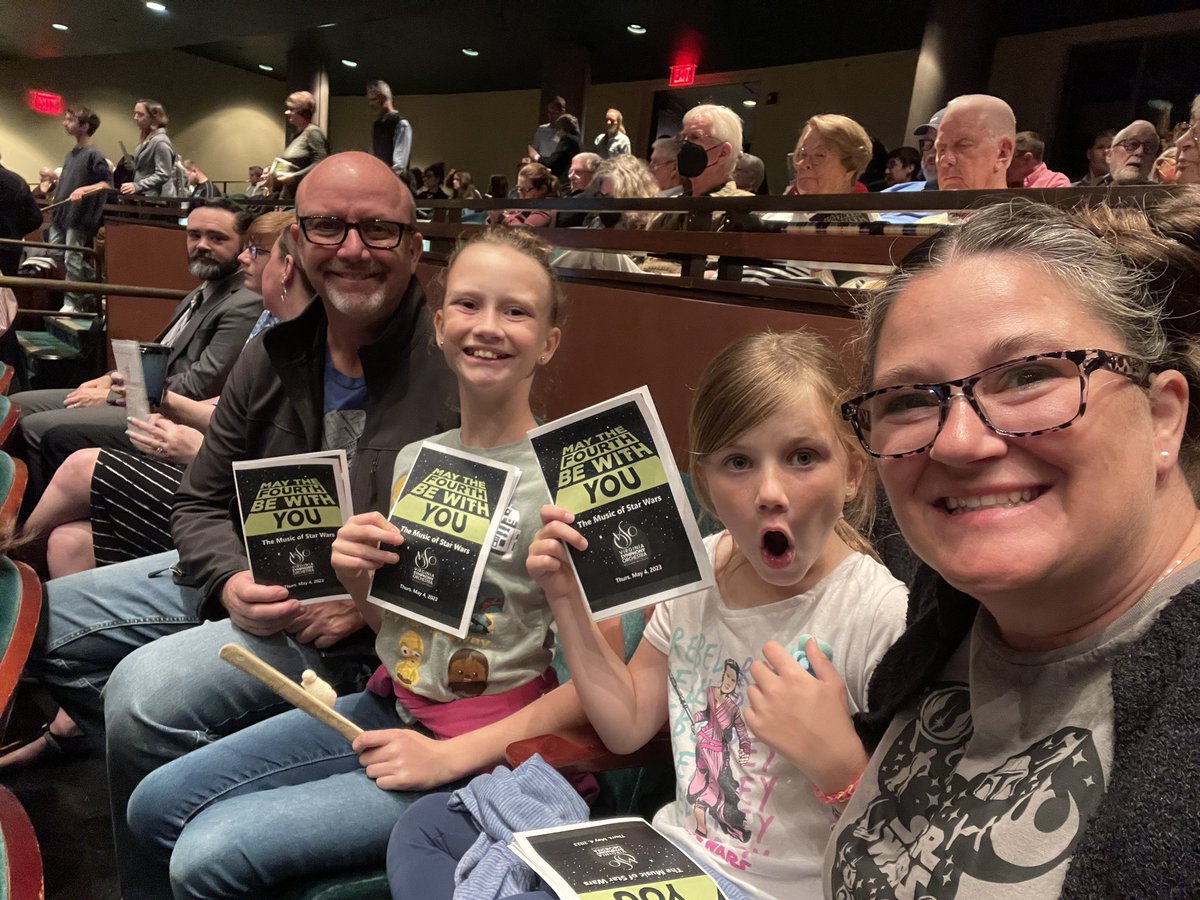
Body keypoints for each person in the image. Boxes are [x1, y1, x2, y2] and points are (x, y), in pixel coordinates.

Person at [125, 227, 624, 897]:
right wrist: (359, 582)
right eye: (469, 305)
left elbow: (600, 689)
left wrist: (446, 757)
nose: (489, 327)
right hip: (389, 704)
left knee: (205, 856)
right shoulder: (424, 460)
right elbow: (401, 628)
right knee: (153, 804)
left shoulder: (569, 478)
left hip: (491, 754)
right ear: (441, 326)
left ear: (549, 341)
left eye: (517, 311)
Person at [23, 152, 458, 897]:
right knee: (34, 620)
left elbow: (476, 544)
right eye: (328, 226)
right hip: (254, 585)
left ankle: (164, 848)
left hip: (364, 633)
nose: (352, 248)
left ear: (413, 246)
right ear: (299, 240)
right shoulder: (273, 352)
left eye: (379, 230)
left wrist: (365, 599)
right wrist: (229, 580)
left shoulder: (454, 364)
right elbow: (198, 499)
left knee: (141, 696)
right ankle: (182, 789)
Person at [387, 329, 908, 899]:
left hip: (770, 891)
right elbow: (628, 722)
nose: (769, 492)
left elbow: (904, 850)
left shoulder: (879, 615)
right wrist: (566, 599)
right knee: (425, 827)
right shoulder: (698, 571)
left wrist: (837, 766)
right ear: (706, 481)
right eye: (738, 461)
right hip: (669, 860)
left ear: (854, 471)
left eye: (803, 457)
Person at [827, 191, 1200, 898]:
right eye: (909, 400)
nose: (960, 442)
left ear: (1162, 416)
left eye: (1029, 375)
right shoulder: (947, 617)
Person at [0, 210, 305, 773]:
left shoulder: (275, 327)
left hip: (241, 511)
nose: (242, 259)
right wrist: (137, 392)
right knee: (69, 542)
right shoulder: (261, 327)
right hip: (213, 492)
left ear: (289, 268)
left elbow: (256, 458)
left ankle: (7, 572)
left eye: (255, 250)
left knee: (81, 461)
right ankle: (74, 710)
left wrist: (171, 418)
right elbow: (224, 418)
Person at [11, 196, 263, 502]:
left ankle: (27, 533)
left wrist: (114, 395)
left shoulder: (245, 301)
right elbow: (158, 353)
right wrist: (112, 377)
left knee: (38, 428)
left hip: (167, 412)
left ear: (243, 244)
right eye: (194, 235)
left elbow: (199, 385)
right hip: (140, 393)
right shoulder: (204, 287)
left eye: (217, 238)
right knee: (17, 405)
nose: (202, 245)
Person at [48, 105, 113, 312]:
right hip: (62, 214)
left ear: (84, 126)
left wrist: (84, 189)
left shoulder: (94, 154)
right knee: (57, 254)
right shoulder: (71, 154)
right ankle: (94, 282)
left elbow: (106, 184)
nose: (64, 123)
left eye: (70, 120)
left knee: (72, 257)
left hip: (78, 217)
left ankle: (72, 302)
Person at [934, 94, 1016, 191]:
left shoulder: (1023, 206)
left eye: (963, 146)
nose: (945, 160)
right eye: (941, 150)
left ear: (1002, 153)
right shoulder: (917, 205)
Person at [788, 114, 872, 197]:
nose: (805, 164)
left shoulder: (866, 209)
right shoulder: (781, 209)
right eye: (803, 154)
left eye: (819, 155)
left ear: (849, 168)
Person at [271, 91, 329, 198]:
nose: (287, 113)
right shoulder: (295, 135)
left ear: (303, 112)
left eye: (292, 109)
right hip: (290, 195)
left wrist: (295, 177)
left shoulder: (313, 132)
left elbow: (321, 162)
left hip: (305, 196)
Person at [118, 99, 177, 197]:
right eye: (135, 113)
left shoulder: (160, 141)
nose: (135, 117)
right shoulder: (147, 139)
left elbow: (163, 174)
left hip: (157, 201)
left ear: (153, 118)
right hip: (146, 198)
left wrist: (138, 186)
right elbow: (147, 170)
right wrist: (133, 167)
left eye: (140, 114)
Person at [0, 158, 44, 276]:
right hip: (9, 246)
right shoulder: (17, 181)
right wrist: (15, 233)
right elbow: (36, 218)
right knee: (6, 289)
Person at [489, 163, 556, 228]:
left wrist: (502, 217)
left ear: (542, 189)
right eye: (519, 188)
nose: (521, 194)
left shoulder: (545, 210)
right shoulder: (522, 207)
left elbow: (525, 232)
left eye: (526, 190)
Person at [366, 79, 413, 174]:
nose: (371, 104)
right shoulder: (377, 125)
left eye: (374, 99)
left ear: (385, 98)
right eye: (370, 100)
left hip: (393, 183)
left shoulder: (401, 124)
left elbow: (399, 167)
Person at [1007, 130, 1071, 188]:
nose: (1005, 167)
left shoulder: (1056, 182)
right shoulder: (1006, 182)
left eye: (1010, 161)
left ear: (1027, 159)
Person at [1103, 119, 1159, 185]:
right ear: (1109, 155)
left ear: (1153, 160)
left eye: (1148, 148)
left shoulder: (1165, 194)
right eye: (1132, 144)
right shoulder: (1093, 193)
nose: (1140, 152)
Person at [533, 114, 582, 183]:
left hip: (564, 180)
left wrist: (536, 156)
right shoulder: (577, 140)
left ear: (563, 129)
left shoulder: (567, 140)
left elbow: (553, 162)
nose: (557, 133)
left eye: (558, 129)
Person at [531, 96, 567, 161]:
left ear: (562, 113)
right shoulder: (541, 130)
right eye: (549, 112)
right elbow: (535, 150)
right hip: (542, 168)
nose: (550, 116)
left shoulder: (567, 132)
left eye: (554, 113)